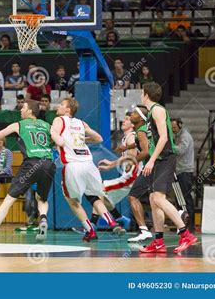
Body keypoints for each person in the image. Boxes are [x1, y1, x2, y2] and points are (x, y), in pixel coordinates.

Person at [0, 100, 56, 243]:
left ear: (30, 111)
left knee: (8, 200)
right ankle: (43, 219)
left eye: (24, 108)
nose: (21, 110)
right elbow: (57, 141)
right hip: (48, 163)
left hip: (31, 164)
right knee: (42, 198)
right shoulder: (47, 125)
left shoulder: (18, 125)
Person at [51, 98, 124, 242]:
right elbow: (99, 138)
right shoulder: (81, 123)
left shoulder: (59, 120)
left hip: (73, 165)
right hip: (89, 164)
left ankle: (90, 230)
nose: (57, 107)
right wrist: (82, 141)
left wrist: (55, 137)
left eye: (61, 105)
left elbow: (59, 140)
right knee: (93, 197)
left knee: (72, 200)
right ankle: (111, 221)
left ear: (68, 110)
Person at [139, 82, 196, 253]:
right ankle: (158, 241)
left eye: (142, 92)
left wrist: (151, 160)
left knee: (159, 199)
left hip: (165, 159)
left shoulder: (157, 109)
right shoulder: (151, 113)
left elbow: (163, 138)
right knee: (153, 199)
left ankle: (185, 234)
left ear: (146, 94)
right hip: (159, 160)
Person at [97, 113, 140, 231]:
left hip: (131, 177)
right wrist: (111, 165)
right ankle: (120, 218)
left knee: (99, 190)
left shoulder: (131, 136)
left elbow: (132, 155)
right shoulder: (127, 137)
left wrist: (112, 165)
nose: (124, 121)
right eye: (124, 119)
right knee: (105, 198)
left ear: (133, 124)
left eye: (127, 119)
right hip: (129, 176)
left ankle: (91, 226)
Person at [127, 106, 154, 242]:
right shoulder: (143, 130)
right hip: (154, 167)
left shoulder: (141, 131)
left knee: (133, 196)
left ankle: (144, 230)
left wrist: (132, 162)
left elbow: (145, 152)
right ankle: (180, 221)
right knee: (156, 199)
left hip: (150, 168)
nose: (131, 114)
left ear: (141, 118)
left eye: (134, 113)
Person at [171, 118, 195, 232]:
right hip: (178, 170)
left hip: (185, 171)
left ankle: (190, 225)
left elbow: (181, 150)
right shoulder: (177, 136)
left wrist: (168, 145)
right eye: (171, 128)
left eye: (174, 127)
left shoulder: (184, 136)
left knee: (186, 198)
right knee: (179, 199)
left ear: (180, 125)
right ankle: (181, 224)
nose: (173, 130)